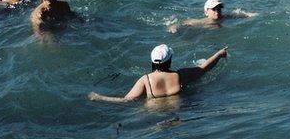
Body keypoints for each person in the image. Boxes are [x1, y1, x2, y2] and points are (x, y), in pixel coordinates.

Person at [88, 44, 228, 102]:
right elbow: (204, 68)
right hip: (180, 115)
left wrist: (100, 97)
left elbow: (126, 100)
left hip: (154, 118)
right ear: (170, 60)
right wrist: (219, 54)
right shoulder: (181, 75)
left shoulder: (146, 80)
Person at [169, 0, 256, 32]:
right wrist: (174, 27)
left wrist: (251, 15)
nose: (217, 11)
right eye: (213, 9)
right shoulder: (200, 22)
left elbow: (238, 13)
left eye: (219, 8)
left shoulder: (225, 17)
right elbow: (182, 23)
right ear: (206, 12)